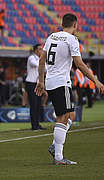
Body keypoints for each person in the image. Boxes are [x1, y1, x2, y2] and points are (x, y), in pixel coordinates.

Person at [35, 13, 104, 165]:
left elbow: (41, 60)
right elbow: (79, 64)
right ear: (75, 25)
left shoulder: (52, 36)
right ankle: (58, 157)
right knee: (63, 117)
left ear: (62, 24)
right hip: (61, 82)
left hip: (51, 81)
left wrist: (41, 81)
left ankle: (55, 145)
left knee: (70, 115)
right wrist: (95, 80)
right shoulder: (72, 39)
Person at [25, 44, 46, 130]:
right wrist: (43, 62)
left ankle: (37, 123)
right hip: (31, 83)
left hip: (37, 83)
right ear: (36, 51)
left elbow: (46, 69)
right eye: (40, 49)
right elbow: (36, 65)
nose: (41, 51)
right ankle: (34, 125)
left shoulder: (40, 60)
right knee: (33, 105)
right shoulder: (32, 58)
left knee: (38, 104)